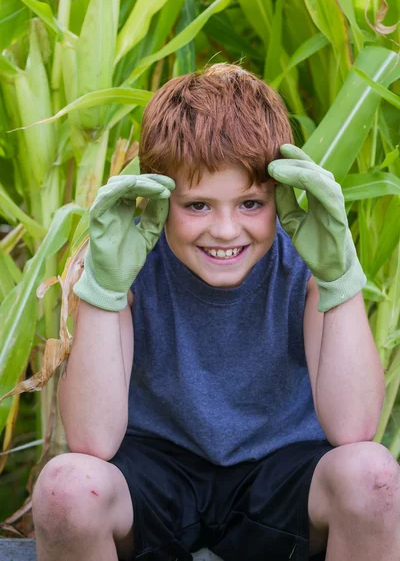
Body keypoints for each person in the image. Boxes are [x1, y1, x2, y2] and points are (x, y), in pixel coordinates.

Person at [32, 64, 400, 561]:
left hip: (281, 473)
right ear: (161, 196)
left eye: (250, 203)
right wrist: (105, 288)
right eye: (198, 205)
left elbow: (354, 430)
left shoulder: (309, 257)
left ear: (278, 193)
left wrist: (338, 277)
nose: (226, 230)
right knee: (65, 488)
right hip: (156, 472)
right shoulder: (126, 259)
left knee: (374, 476)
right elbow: (92, 441)